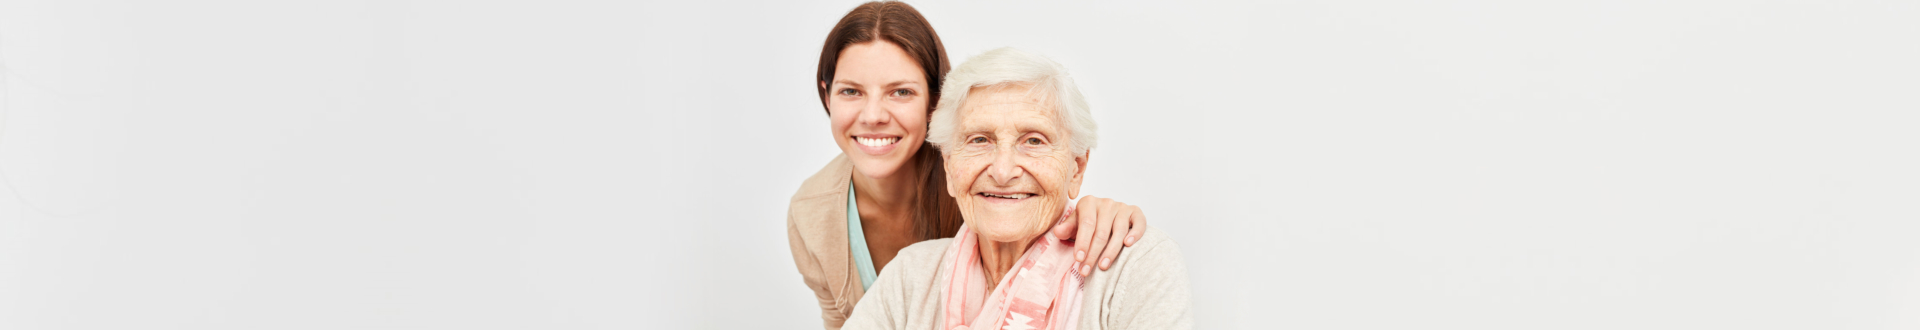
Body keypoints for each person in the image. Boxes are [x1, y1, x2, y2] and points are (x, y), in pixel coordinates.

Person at [787, 2, 1154, 329]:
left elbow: (1045, 199)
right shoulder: (812, 214)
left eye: (901, 91)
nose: (873, 116)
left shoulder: (981, 184)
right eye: (851, 91)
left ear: (935, 102)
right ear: (827, 95)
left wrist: (1092, 213)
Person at [842, 47, 1192, 330]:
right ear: (949, 167)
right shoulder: (911, 276)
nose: (1003, 170)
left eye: (1034, 141)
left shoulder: (1135, 265)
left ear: (1076, 168)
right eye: (979, 140)